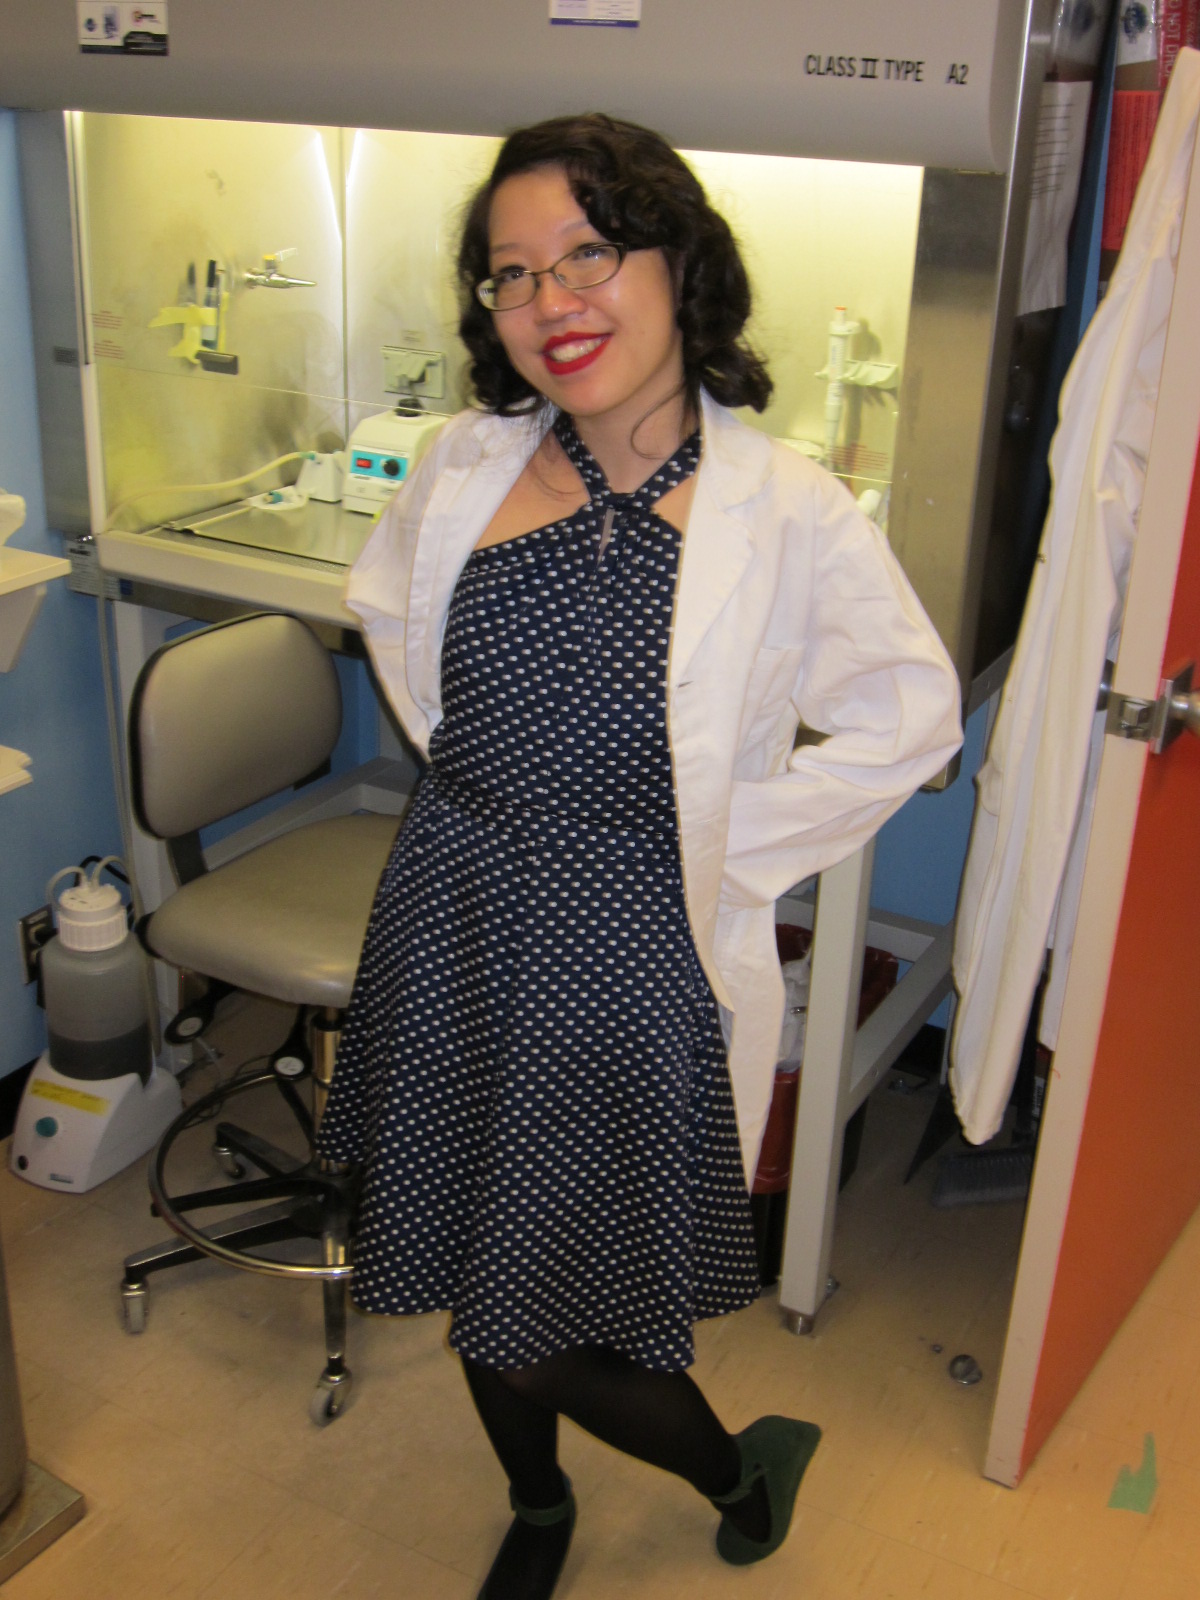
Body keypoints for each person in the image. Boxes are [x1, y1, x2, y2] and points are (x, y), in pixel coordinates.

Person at [317, 113, 962, 1600]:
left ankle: (737, 1471)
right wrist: (485, 779)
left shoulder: (788, 509)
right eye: (513, 274)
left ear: (679, 262)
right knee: (466, 1249)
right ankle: (539, 1504)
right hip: (459, 905)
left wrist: (726, 840)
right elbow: (389, 612)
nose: (553, 301)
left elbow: (911, 715)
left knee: (540, 1315)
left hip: (632, 946)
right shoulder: (463, 462)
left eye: (591, 253)